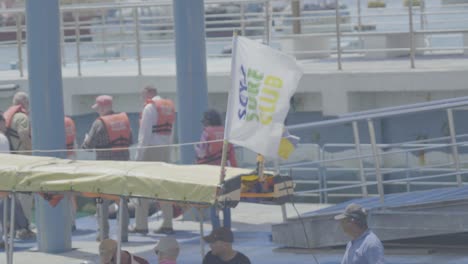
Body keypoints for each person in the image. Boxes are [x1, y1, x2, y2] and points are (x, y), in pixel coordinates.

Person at [82, 95, 132, 242]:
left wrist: (85, 140)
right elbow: (131, 140)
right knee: (122, 201)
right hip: (123, 166)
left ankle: (103, 234)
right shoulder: (124, 121)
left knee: (102, 202)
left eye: (98, 108)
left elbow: (87, 146)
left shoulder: (99, 123)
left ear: (103, 108)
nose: (97, 111)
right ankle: (123, 234)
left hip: (105, 168)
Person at [132, 86, 176, 235]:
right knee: (164, 187)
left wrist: (138, 158)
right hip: (165, 150)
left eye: (142, 95)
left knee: (141, 187)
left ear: (148, 93)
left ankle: (141, 225)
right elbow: (171, 132)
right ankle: (168, 223)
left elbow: (144, 135)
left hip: (150, 150)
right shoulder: (169, 108)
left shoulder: (149, 108)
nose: (142, 98)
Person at [195, 109, 237, 230]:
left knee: (214, 203)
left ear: (207, 121)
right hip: (225, 170)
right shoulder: (226, 133)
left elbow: (202, 153)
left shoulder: (206, 133)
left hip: (211, 171)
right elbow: (232, 154)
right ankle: (227, 229)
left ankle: (216, 230)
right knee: (226, 203)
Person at [2, 92, 35, 240]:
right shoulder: (21, 117)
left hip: (11, 162)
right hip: (23, 162)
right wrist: (33, 152)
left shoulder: (8, 116)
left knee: (11, 197)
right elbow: (23, 135)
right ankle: (24, 228)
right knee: (25, 196)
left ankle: (12, 227)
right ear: (25, 103)